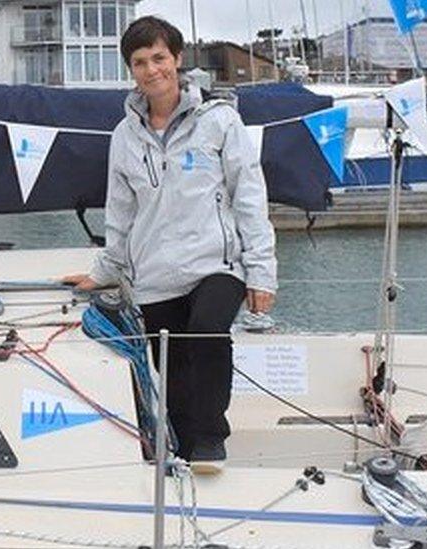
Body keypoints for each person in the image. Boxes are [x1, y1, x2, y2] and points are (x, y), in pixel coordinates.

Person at [65, 17, 277, 467]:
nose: (151, 69)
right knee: (171, 363)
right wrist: (102, 273)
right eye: (139, 62)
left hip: (216, 263)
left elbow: (249, 196)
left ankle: (211, 438)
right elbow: (120, 213)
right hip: (155, 270)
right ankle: (181, 445)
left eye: (159, 58)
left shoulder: (219, 121)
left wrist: (261, 273)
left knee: (205, 331)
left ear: (177, 60)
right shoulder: (125, 137)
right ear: (131, 70)